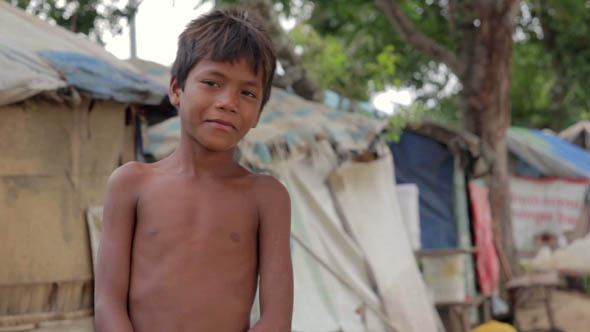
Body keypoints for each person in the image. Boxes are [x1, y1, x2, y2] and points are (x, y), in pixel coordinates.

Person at [94, 8, 293, 332]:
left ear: (258, 113)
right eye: (212, 82)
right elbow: (107, 304)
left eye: (247, 92)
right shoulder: (131, 184)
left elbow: (276, 319)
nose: (228, 101)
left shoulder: (267, 197)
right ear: (176, 89)